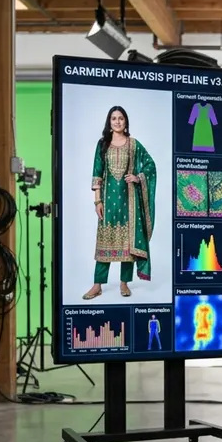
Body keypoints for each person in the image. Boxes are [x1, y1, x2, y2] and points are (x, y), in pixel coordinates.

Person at [82, 105, 157, 300]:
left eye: (121, 118)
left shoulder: (133, 144)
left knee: (127, 245)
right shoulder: (103, 144)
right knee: (103, 243)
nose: (117, 121)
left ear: (125, 122)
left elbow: (150, 165)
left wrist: (138, 177)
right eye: (113, 118)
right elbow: (97, 173)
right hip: (108, 200)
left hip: (129, 200)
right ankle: (97, 285)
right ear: (109, 122)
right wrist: (97, 200)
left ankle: (124, 284)